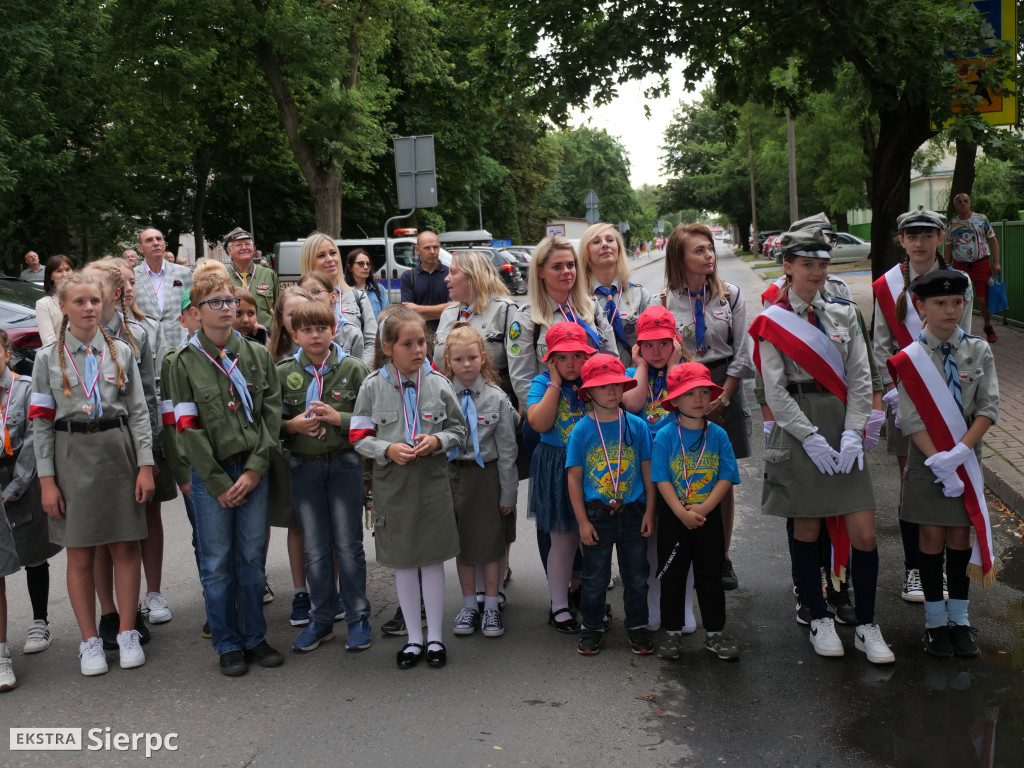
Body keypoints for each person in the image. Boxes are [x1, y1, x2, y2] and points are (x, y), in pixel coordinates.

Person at [750, 228, 894, 664]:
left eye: (822, 264)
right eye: (807, 264)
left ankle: (867, 624)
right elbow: (774, 390)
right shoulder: (771, 322)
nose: (817, 272)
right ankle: (818, 616)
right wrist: (809, 437)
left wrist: (854, 431)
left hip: (840, 422)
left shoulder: (845, 314)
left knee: (865, 534)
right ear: (787, 268)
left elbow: (860, 377)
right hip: (800, 429)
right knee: (808, 529)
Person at [30, 272, 155, 675]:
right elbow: (40, 423)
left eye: (94, 302)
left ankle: (127, 631)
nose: (88, 308)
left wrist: (146, 466)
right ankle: (89, 641)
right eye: (79, 302)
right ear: (63, 307)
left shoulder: (120, 351)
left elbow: (138, 413)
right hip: (71, 456)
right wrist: (47, 480)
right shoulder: (47, 357)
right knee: (80, 552)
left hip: (117, 453)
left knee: (124, 546)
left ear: (104, 305)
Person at [164, 272, 284, 677]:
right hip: (211, 477)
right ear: (196, 313)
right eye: (216, 302)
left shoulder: (256, 355)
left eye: (230, 300)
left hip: (253, 470)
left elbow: (271, 417)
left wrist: (254, 470)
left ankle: (254, 636)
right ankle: (227, 642)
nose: (227, 308)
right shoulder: (181, 364)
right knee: (217, 562)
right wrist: (215, 483)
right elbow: (186, 427)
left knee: (251, 559)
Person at [889, 270, 998, 658]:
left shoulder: (978, 350)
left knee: (958, 539)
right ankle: (935, 624)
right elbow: (911, 418)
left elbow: (988, 408)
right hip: (926, 464)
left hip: (965, 462)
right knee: (931, 539)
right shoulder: (910, 359)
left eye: (957, 302)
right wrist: (939, 460)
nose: (950, 310)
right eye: (939, 303)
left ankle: (960, 621)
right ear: (921, 306)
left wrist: (959, 454)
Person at [350, 306, 467, 669]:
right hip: (393, 486)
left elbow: (459, 431)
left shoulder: (439, 384)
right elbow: (357, 435)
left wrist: (437, 442)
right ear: (388, 347)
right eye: (408, 344)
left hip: (431, 484)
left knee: (432, 559)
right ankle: (413, 639)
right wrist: (386, 448)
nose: (418, 350)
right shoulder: (372, 387)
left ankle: (435, 638)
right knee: (403, 562)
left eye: (422, 343)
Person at [873, 205, 973, 604]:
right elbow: (881, 344)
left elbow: (965, 341)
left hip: (951, 397)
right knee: (913, 482)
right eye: (911, 236)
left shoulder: (959, 280)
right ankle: (915, 569)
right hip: (906, 398)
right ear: (901, 240)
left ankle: (949, 566)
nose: (919, 242)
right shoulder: (886, 285)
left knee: (952, 477)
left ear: (940, 238)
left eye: (927, 235)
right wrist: (891, 389)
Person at [83, 259, 171, 648]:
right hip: (93, 450)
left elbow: (151, 396)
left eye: (96, 289)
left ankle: (145, 598)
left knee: (141, 521)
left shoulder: (139, 333)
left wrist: (148, 452)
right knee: (106, 532)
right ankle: (111, 612)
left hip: (135, 443)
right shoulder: (76, 338)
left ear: (114, 294)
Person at [277, 300, 372, 653]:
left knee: (349, 547)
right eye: (307, 330)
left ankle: (358, 617)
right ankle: (320, 619)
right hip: (304, 467)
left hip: (345, 465)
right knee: (316, 550)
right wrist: (291, 425)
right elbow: (270, 423)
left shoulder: (353, 369)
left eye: (322, 328)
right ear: (294, 335)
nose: (315, 335)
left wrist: (340, 420)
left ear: (334, 330)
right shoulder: (283, 372)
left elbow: (370, 422)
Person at [663, 224, 753, 591]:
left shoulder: (729, 296)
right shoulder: (663, 300)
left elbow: (743, 351)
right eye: (699, 250)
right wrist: (688, 400)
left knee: (722, 478)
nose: (709, 255)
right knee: (682, 473)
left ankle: (721, 556)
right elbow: (663, 356)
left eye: (710, 248)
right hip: (683, 391)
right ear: (679, 258)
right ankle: (683, 553)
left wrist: (725, 396)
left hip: (724, 383)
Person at [567, 353, 655, 656]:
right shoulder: (581, 431)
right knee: (595, 577)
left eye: (618, 384)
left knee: (636, 576)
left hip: (633, 512)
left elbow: (647, 471)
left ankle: (638, 627)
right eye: (604, 386)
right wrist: (582, 522)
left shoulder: (637, 426)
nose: (613, 391)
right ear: (588, 392)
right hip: (597, 514)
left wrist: (650, 511)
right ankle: (591, 626)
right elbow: (574, 479)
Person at [653, 363, 741, 662]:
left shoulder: (718, 435)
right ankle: (672, 631)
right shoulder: (665, 435)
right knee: (672, 576)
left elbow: (726, 476)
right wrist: (680, 512)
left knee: (710, 576)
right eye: (690, 393)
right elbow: (661, 477)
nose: (700, 398)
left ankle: (715, 632)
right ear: (675, 400)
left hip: (708, 516)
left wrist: (703, 508)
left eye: (704, 392)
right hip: (674, 518)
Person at [620, 305, 694, 632]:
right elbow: (634, 404)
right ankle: (655, 605)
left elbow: (683, 404)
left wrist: (676, 365)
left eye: (663, 343)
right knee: (650, 541)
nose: (656, 351)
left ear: (675, 342)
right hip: (644, 472)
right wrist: (639, 366)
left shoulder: (687, 370)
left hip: (680, 469)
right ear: (638, 347)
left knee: (681, 541)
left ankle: (683, 607)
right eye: (647, 345)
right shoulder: (634, 373)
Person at [444, 322, 518, 639]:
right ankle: (469, 606)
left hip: (487, 477)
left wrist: (508, 496)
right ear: (448, 360)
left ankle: (490, 607)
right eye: (459, 359)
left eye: (472, 358)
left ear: (483, 358)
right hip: (452, 476)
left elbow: (508, 453)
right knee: (462, 546)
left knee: (490, 547)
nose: (466, 365)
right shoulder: (440, 395)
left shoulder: (497, 400)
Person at [526, 322, 597, 635]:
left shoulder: (595, 383)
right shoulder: (541, 383)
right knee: (563, 540)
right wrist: (555, 385)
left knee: (594, 540)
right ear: (550, 359)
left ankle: (593, 603)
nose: (571, 365)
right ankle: (559, 606)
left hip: (594, 468)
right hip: (557, 466)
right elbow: (540, 423)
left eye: (577, 356)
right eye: (563, 358)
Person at [0, 329, 61, 658]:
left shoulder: (24, 389)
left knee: (33, 552)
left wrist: (13, 489)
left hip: (22, 478)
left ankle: (40, 620)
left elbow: (34, 442)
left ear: (7, 354)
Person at [507, 235, 617, 408]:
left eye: (570, 265)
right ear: (540, 271)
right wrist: (542, 415)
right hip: (552, 412)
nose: (566, 271)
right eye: (557, 266)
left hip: (597, 407)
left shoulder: (591, 308)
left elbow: (611, 356)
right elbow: (523, 379)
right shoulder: (527, 318)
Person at [434, 250, 519, 405]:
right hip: (453, 406)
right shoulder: (448, 314)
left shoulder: (505, 310)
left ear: (473, 276)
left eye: (453, 273)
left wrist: (522, 402)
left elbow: (520, 364)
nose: (446, 279)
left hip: (495, 408)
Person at [300, 234, 376, 366]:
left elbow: (372, 342)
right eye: (321, 255)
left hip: (352, 378)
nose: (330, 259)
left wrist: (362, 372)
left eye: (333, 253)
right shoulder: (298, 298)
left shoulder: (358, 296)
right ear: (309, 261)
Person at [581, 222, 652, 366]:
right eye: (596, 241)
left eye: (610, 240)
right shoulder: (578, 299)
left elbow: (653, 341)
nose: (604, 244)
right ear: (586, 253)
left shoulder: (640, 294)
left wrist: (633, 372)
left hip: (636, 377)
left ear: (618, 248)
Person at [944, 193, 1001, 342]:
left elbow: (993, 241)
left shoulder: (981, 220)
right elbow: (949, 248)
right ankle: (959, 330)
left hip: (981, 264)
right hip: (961, 266)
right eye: (959, 202)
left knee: (983, 300)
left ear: (970, 203)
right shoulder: (951, 225)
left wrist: (996, 262)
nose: (962, 204)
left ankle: (988, 326)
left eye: (965, 201)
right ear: (955, 206)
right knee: (960, 298)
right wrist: (945, 267)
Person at [133, 227, 194, 364]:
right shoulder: (133, 276)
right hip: (147, 348)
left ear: (164, 244)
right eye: (149, 240)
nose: (155, 243)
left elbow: (193, 309)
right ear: (140, 248)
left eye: (159, 239)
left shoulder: (184, 273)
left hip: (180, 344)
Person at [297, 271, 363, 360]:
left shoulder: (351, 333)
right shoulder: (297, 332)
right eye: (304, 294)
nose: (311, 297)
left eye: (316, 291)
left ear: (333, 297)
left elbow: (358, 370)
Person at [224, 228, 278, 333]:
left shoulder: (269, 274)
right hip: (232, 338)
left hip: (265, 338)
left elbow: (278, 309)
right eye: (239, 245)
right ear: (229, 251)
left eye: (248, 244)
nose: (244, 248)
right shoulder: (222, 276)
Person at [399, 230, 452, 335]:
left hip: (446, 335)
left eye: (435, 247)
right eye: (427, 248)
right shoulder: (408, 277)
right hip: (419, 336)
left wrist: (418, 309)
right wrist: (442, 310)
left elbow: (453, 309)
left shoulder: (450, 274)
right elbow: (408, 313)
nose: (432, 251)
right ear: (417, 250)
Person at [35, 255, 75, 346]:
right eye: (59, 271)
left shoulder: (85, 298)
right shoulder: (44, 304)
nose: (65, 275)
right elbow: (49, 342)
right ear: (51, 276)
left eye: (68, 270)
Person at [344, 248, 389, 319]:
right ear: (350, 267)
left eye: (368, 264)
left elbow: (386, 317)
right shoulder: (343, 291)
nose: (366, 267)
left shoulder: (379, 289)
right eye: (361, 263)